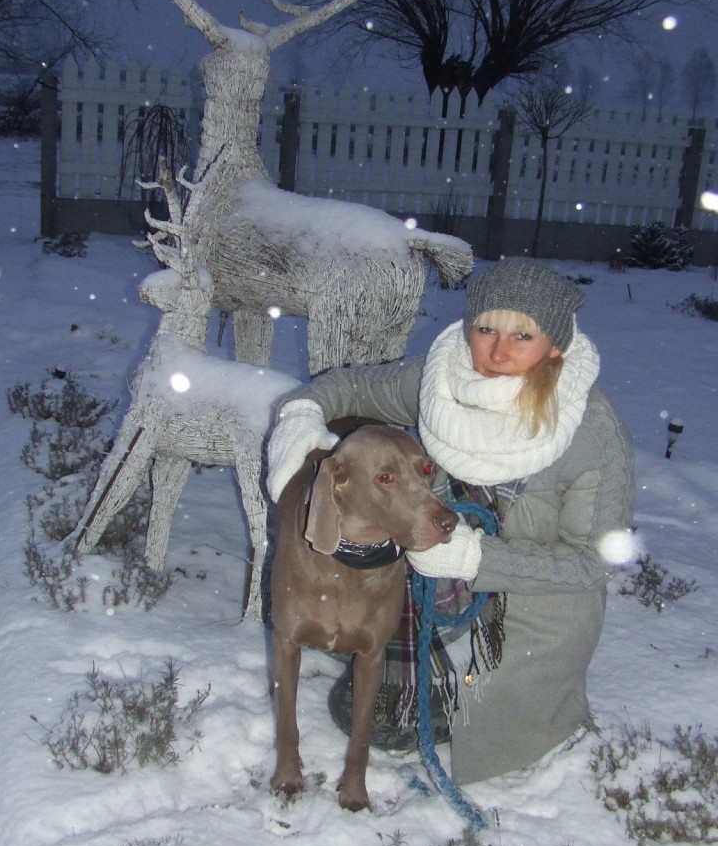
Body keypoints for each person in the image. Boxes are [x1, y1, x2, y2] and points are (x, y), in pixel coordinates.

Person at [266, 257, 635, 785]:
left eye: (522, 335)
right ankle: (422, 677)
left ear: (555, 345)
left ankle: (500, 703)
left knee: (492, 734)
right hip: (430, 577)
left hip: (532, 608)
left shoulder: (592, 433)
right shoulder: (438, 379)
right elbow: (342, 388)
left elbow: (592, 565)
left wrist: (474, 557)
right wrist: (299, 425)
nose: (498, 351)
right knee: (383, 724)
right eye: (485, 329)